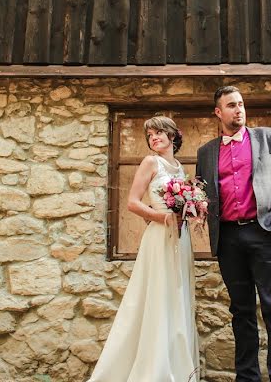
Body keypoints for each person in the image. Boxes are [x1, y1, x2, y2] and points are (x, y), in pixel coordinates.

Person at [196, 86, 271, 382]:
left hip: (266, 233)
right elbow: (201, 191)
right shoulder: (206, 152)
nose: (238, 109)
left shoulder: (267, 138)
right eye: (231, 105)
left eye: (241, 104)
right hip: (228, 239)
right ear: (218, 112)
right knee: (241, 313)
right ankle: (247, 378)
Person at [87, 115, 200, 382]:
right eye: (150, 135)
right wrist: (162, 217)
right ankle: (153, 368)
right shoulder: (151, 162)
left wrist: (193, 211)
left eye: (159, 133)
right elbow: (132, 202)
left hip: (180, 239)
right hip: (159, 236)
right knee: (157, 296)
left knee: (176, 296)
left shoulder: (179, 167)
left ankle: (177, 365)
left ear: (173, 136)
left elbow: (184, 203)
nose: (154, 138)